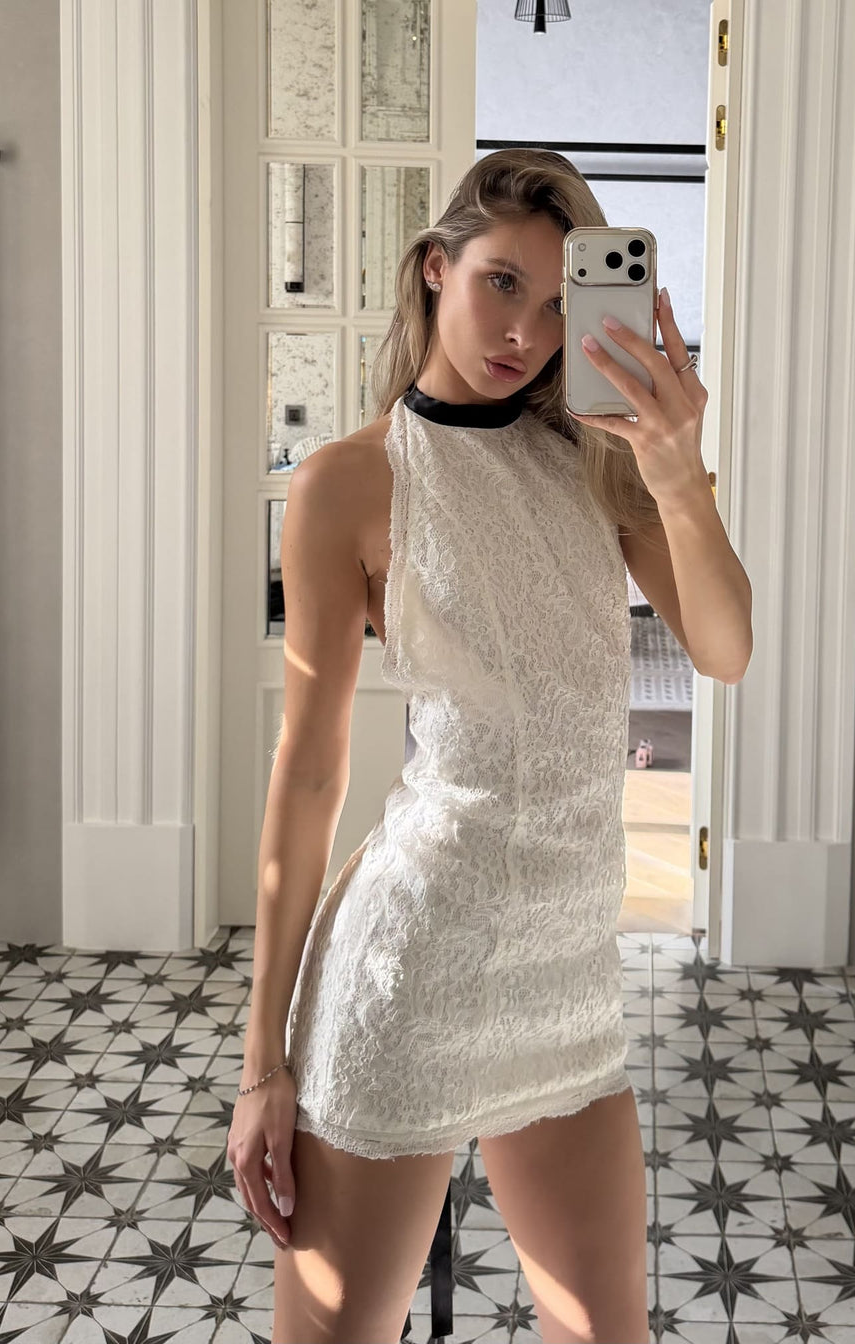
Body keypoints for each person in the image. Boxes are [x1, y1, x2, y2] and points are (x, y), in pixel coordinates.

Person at [227, 149, 692, 1344]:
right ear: (435, 268)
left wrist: (677, 465)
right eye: (501, 284)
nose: (527, 333)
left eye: (560, 303)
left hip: (567, 982)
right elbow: (310, 772)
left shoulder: (595, 465)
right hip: (411, 968)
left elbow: (727, 647)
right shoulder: (347, 482)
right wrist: (262, 1064)